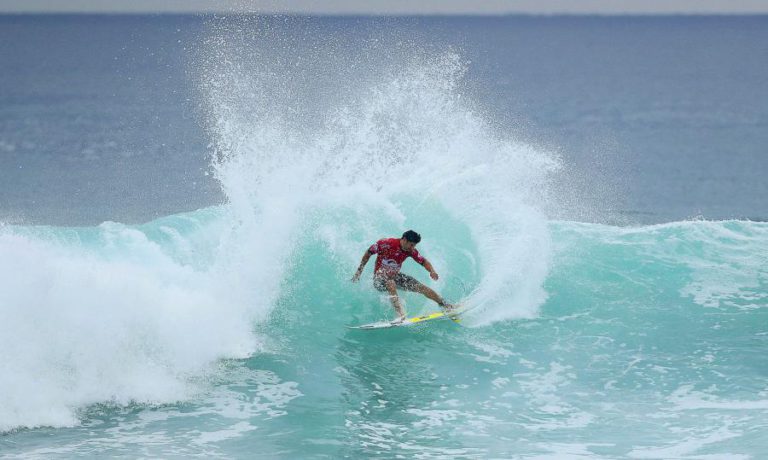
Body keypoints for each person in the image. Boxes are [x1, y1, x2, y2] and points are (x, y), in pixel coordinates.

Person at [351, 230, 454, 322]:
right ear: (404, 240)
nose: (413, 248)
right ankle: (400, 315)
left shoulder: (410, 251)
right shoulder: (386, 243)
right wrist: (359, 272)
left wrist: (432, 271)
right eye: (411, 245)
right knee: (390, 282)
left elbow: (423, 261)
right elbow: (368, 253)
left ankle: (445, 305)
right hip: (379, 279)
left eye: (414, 246)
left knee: (421, 287)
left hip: (395, 277)